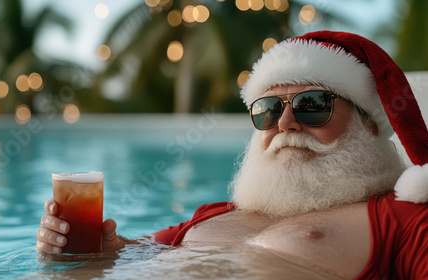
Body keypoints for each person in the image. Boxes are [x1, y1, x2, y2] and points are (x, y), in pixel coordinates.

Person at [37, 31, 428, 279]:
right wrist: (81, 250)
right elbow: (121, 258)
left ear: (370, 124)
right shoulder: (214, 213)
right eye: (269, 110)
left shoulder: (401, 217)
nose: (286, 124)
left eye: (312, 105)